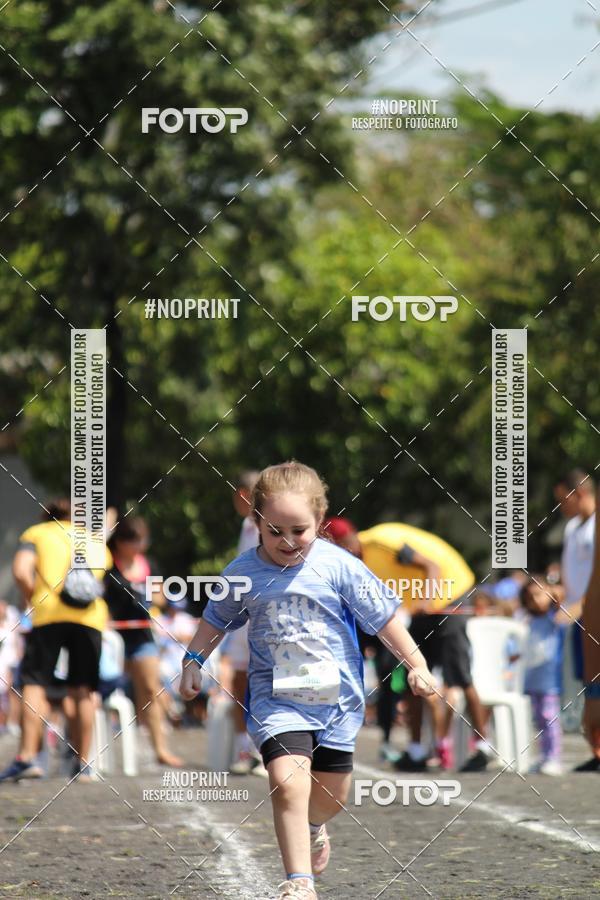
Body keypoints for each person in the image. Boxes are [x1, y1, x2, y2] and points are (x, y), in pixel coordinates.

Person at [180, 461, 435, 900]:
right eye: (274, 530)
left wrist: (417, 663)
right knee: (286, 781)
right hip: (276, 699)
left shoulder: (341, 567)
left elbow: (386, 620)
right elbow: (214, 621)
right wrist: (192, 661)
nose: (287, 541)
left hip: (338, 702)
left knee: (332, 796)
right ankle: (299, 882)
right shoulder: (242, 571)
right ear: (256, 521)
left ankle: (315, 825)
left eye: (299, 530)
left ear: (319, 521)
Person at [0, 499, 111, 782]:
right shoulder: (95, 541)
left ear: (47, 515)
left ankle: (28, 757)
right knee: (83, 689)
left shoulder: (37, 533)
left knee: (35, 684)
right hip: (90, 618)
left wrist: (31, 599)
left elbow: (21, 570)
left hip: (49, 614)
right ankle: (84, 763)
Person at [105, 518, 182, 767]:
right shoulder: (106, 567)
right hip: (110, 638)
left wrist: (148, 598)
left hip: (141, 636)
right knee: (101, 690)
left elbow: (161, 598)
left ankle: (160, 749)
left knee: (150, 689)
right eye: (135, 540)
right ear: (120, 542)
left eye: (143, 539)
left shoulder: (149, 564)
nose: (140, 545)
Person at [218, 470, 264, 775]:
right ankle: (243, 749)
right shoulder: (246, 526)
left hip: (263, 613)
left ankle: (264, 751)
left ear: (243, 494)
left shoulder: (269, 525)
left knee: (266, 680)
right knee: (238, 679)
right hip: (243, 612)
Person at [554, 470, 596, 770]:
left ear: (579, 492)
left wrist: (581, 605)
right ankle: (596, 751)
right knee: (587, 683)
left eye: (563, 499)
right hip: (576, 617)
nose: (561, 506)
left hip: (592, 613)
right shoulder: (571, 528)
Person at [520, 577, 569, 775]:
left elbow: (563, 604)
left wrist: (556, 596)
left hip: (550, 681)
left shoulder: (554, 618)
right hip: (531, 679)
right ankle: (545, 755)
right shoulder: (526, 620)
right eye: (531, 597)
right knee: (539, 719)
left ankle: (554, 757)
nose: (536, 600)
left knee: (550, 717)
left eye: (540, 595)